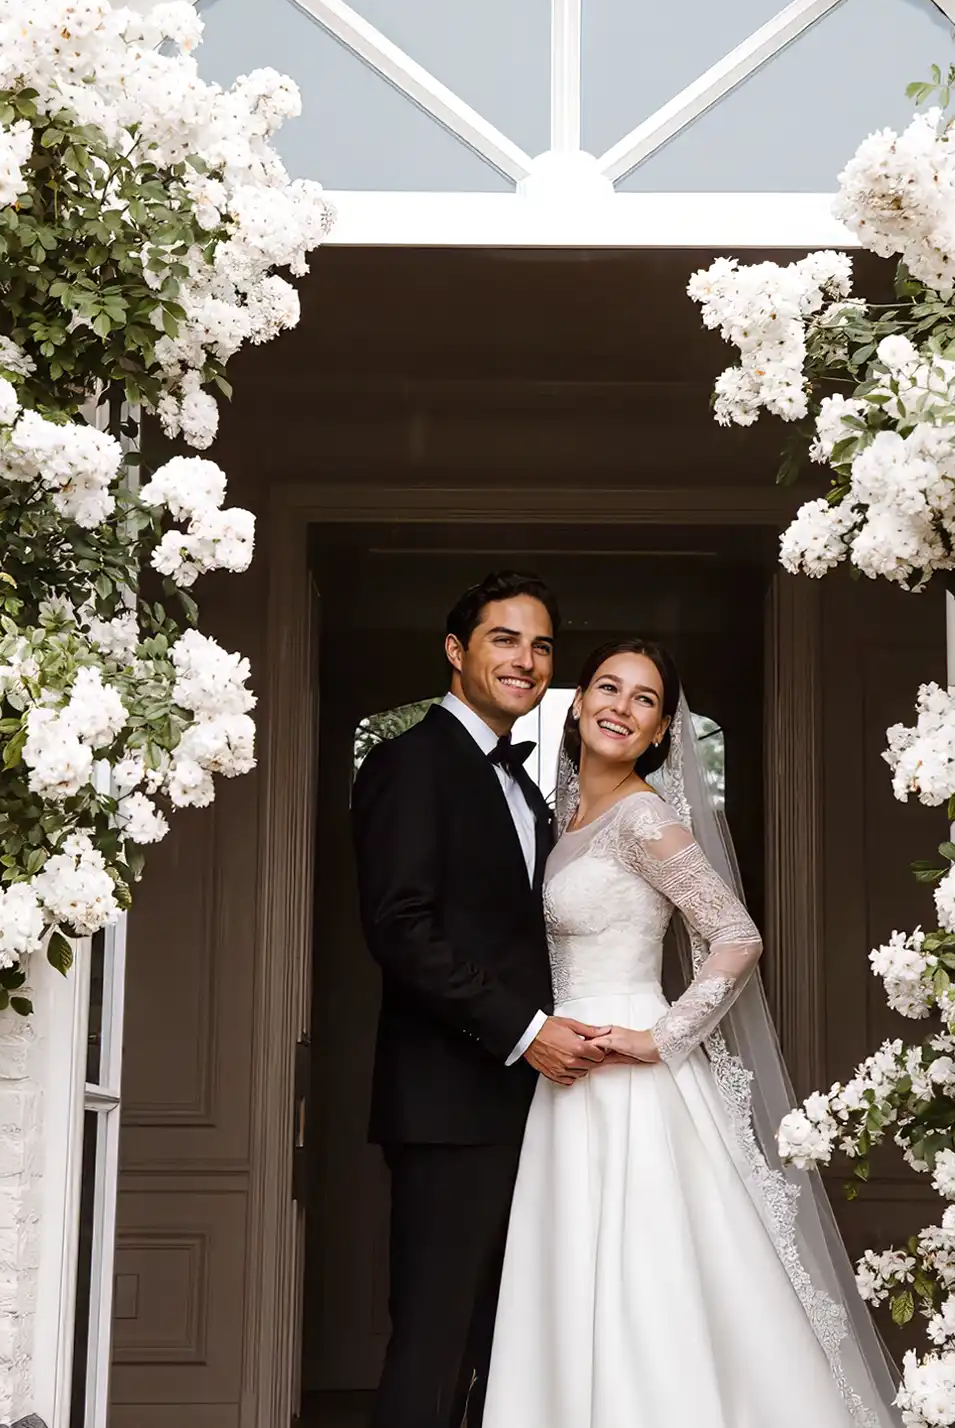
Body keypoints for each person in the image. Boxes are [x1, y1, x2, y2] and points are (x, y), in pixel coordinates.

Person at [483, 638, 903, 1428]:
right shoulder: (564, 819)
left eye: (643, 699)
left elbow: (737, 935)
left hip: (631, 1072)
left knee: (648, 1272)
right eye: (607, 687)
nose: (619, 706)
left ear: (661, 729)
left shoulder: (644, 819)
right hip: (566, 1076)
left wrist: (660, 1037)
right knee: (574, 1271)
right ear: (577, 703)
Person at [351, 570, 611, 1428]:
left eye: (541, 646)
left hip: (528, 1106)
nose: (527, 660)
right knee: (433, 1342)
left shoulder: (529, 790)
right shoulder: (407, 762)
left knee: (501, 1346)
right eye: (505, 639)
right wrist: (526, 1030)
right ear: (457, 652)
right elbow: (401, 929)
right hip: (448, 1105)